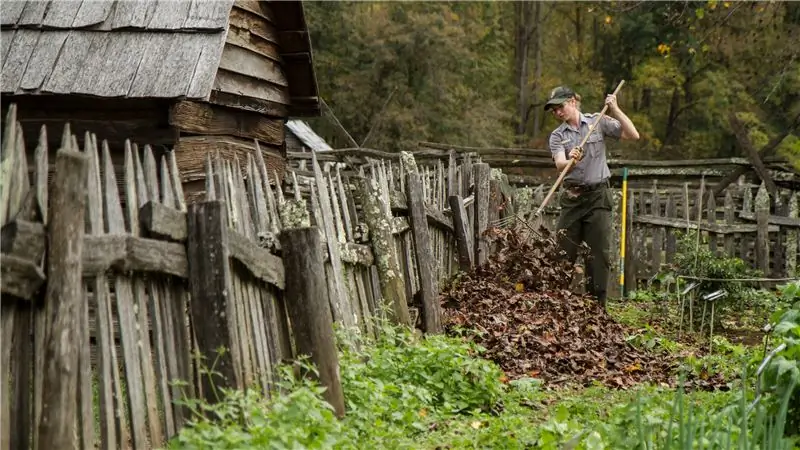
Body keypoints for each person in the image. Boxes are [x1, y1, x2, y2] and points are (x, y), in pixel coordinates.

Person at [544, 85, 639, 308]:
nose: (558, 112)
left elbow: (632, 135)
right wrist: (571, 161)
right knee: (563, 253)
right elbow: (560, 165)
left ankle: (597, 309)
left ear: (573, 101)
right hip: (572, 199)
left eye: (560, 106)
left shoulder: (598, 122)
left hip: (598, 197)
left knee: (598, 256)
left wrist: (615, 109)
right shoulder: (557, 136)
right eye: (554, 110)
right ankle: (556, 306)